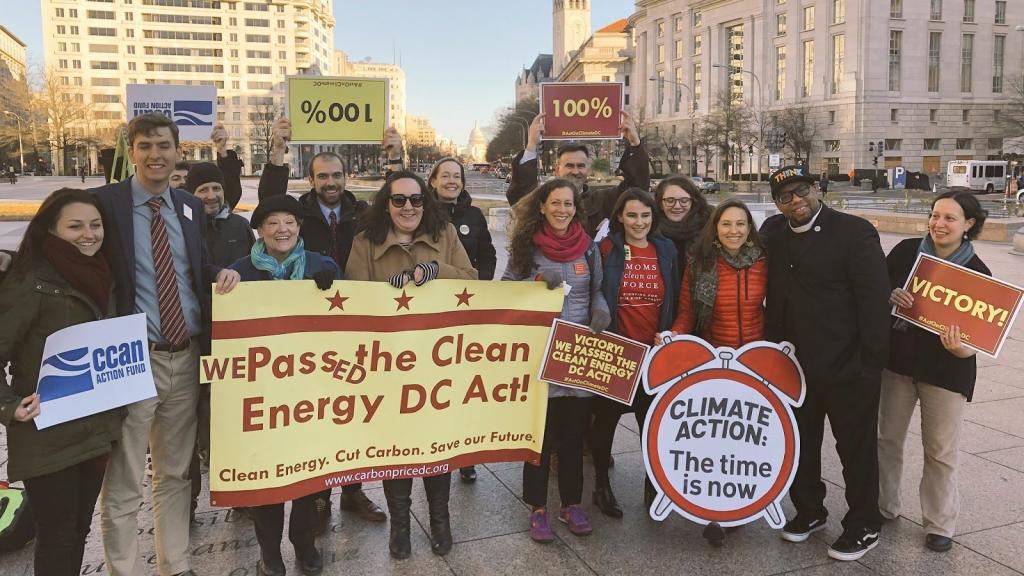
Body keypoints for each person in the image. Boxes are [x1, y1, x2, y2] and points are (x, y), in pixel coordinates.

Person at [92, 113, 240, 576]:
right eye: (145, 146)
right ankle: (123, 569)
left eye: (163, 145)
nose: (155, 155)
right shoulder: (106, 204)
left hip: (187, 355)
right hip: (132, 358)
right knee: (124, 477)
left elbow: (194, 264)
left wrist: (219, 273)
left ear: (179, 151)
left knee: (175, 474)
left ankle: (175, 565)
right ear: (131, 151)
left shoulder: (188, 206)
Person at [257, 117, 384, 527]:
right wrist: (277, 153)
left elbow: (404, 200)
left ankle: (353, 490)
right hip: (311, 328)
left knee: (353, 411)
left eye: (337, 175)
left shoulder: (363, 213)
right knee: (319, 411)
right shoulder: (300, 213)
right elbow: (269, 201)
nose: (331, 181)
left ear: (346, 178)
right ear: (311, 180)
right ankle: (318, 494)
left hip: (355, 323)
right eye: (322, 175)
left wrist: (396, 156)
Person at [760, 166, 890, 562]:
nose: (796, 202)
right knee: (801, 444)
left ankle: (864, 522)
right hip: (794, 366)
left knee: (856, 448)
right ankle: (810, 510)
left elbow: (874, 302)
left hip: (848, 364)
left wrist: (871, 364)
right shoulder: (772, 232)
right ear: (777, 203)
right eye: (786, 197)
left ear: (817, 189)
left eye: (802, 192)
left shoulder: (854, 232)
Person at [346, 171, 477, 559]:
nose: (408, 207)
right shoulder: (364, 243)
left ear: (426, 202)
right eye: (399, 200)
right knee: (396, 448)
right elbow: (354, 300)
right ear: (386, 204)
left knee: (437, 444)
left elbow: (472, 279)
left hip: (437, 362)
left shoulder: (446, 235)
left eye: (416, 199)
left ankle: (440, 519)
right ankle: (400, 526)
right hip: (388, 364)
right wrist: (388, 294)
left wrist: (438, 274)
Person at [0, 188, 123, 575]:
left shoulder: (106, 274)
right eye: (75, 226)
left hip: (94, 426)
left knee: (78, 531)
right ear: (50, 230)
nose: (89, 234)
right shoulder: (30, 282)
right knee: (56, 537)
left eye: (95, 225)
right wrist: (8, 405)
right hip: (46, 430)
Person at [230, 194, 339, 576]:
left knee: (309, 475)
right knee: (267, 477)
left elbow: (345, 328)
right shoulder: (239, 272)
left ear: (299, 226)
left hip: (311, 392)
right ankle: (269, 551)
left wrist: (333, 287)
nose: (282, 229)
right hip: (262, 395)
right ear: (259, 230)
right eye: (273, 222)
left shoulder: (322, 266)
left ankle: (304, 542)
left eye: (289, 221)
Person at [878, 190, 989, 553]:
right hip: (897, 364)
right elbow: (876, 293)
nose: (938, 224)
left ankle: (940, 523)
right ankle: (885, 505)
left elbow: (981, 336)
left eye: (950, 218)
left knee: (940, 451)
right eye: (935, 215)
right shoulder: (906, 252)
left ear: (968, 225)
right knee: (887, 439)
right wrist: (890, 297)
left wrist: (962, 347)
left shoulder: (977, 273)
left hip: (946, 371)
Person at [503, 178, 611, 543]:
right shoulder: (525, 246)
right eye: (556, 204)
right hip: (540, 352)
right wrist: (533, 281)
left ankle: (571, 504)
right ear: (543, 207)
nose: (562, 210)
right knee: (540, 438)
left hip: (578, 354)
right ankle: (536, 508)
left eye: (568, 204)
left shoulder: (589, 247)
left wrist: (600, 309)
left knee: (572, 436)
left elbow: (596, 289)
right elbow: (505, 290)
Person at [590, 188, 678, 519]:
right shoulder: (606, 249)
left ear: (653, 218)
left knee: (652, 423)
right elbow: (594, 292)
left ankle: (653, 482)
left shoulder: (665, 249)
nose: (638, 222)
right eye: (631, 215)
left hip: (653, 355)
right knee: (605, 422)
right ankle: (601, 484)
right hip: (616, 351)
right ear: (619, 217)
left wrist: (671, 333)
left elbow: (675, 295)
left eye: (645, 215)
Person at [183, 161, 255, 520]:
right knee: (191, 421)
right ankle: (189, 498)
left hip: (234, 337)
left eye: (215, 188)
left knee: (232, 416)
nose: (211, 196)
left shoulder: (241, 226)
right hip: (193, 335)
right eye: (202, 190)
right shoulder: (181, 226)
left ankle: (239, 491)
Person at [426, 155, 497, 484]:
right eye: (446, 176)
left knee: (464, 386)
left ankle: (465, 453)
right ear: (434, 181)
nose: (452, 181)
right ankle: (433, 446)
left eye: (457, 176)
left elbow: (488, 254)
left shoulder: (473, 215)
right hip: (430, 314)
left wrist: (478, 288)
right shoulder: (421, 212)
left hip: (466, 312)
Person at [505, 112, 648, 237]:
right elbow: (519, 198)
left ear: (588, 169)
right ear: (557, 169)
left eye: (581, 166)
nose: (575, 171)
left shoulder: (602, 200)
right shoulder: (542, 199)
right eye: (569, 165)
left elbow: (637, 190)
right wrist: (531, 145)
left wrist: (635, 143)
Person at [669, 198, 767, 348]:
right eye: (726, 224)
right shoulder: (699, 264)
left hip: (755, 353)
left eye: (740, 224)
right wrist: (674, 335)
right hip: (715, 355)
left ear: (748, 228)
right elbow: (687, 313)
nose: (734, 231)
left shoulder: (763, 262)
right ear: (716, 228)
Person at [652, 175, 711, 275]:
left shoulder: (709, 228)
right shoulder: (649, 231)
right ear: (660, 204)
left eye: (684, 200)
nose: (677, 206)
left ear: (693, 202)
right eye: (670, 201)